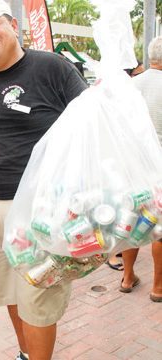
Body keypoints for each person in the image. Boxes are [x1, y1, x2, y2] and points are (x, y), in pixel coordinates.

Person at [0, 1, 88, 359]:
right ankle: (26, 354)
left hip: (38, 209)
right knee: (10, 293)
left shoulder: (52, 68)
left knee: (39, 297)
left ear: (13, 25)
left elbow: (91, 126)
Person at [119, 36, 162, 302]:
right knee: (161, 227)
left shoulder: (131, 85)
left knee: (132, 221)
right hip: (159, 165)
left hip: (132, 165)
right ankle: (158, 287)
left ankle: (127, 277)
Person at [107, 61, 146, 272]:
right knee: (121, 210)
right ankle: (112, 253)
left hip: (126, 159)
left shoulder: (130, 91)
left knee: (125, 209)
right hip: (126, 160)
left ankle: (122, 261)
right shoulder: (119, 92)